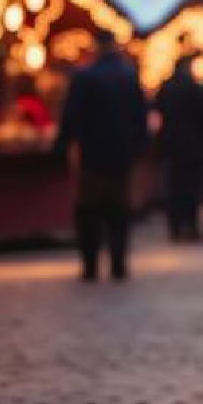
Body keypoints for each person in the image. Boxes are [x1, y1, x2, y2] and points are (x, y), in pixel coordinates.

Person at [51, 30, 148, 281]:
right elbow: (140, 116)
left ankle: (90, 264)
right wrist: (139, 147)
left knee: (89, 211)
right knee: (119, 210)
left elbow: (71, 115)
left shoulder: (85, 76)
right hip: (121, 154)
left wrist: (62, 146)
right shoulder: (128, 76)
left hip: (91, 154)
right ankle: (118, 262)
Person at [155, 55, 203, 241]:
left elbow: (158, 111)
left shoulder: (165, 87)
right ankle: (190, 226)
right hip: (192, 146)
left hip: (170, 145)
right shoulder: (195, 88)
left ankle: (175, 227)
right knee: (191, 188)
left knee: (173, 188)